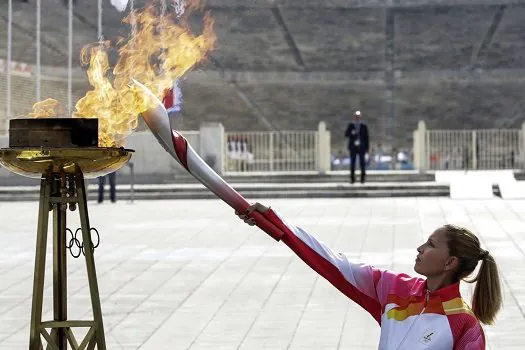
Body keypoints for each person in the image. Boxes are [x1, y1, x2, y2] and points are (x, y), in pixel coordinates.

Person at [235, 202, 502, 349]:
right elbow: (331, 262)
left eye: (431, 245)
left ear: (450, 262)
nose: (420, 249)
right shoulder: (394, 290)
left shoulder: (464, 325)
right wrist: (273, 222)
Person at [345, 110, 369, 183]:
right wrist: (352, 132)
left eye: (358, 116)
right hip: (353, 146)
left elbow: (366, 137)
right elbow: (346, 134)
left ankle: (362, 178)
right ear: (354, 117)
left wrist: (367, 148)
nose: (357, 118)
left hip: (361, 146)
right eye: (356, 116)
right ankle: (352, 178)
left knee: (362, 163)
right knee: (353, 163)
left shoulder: (364, 126)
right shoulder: (351, 125)